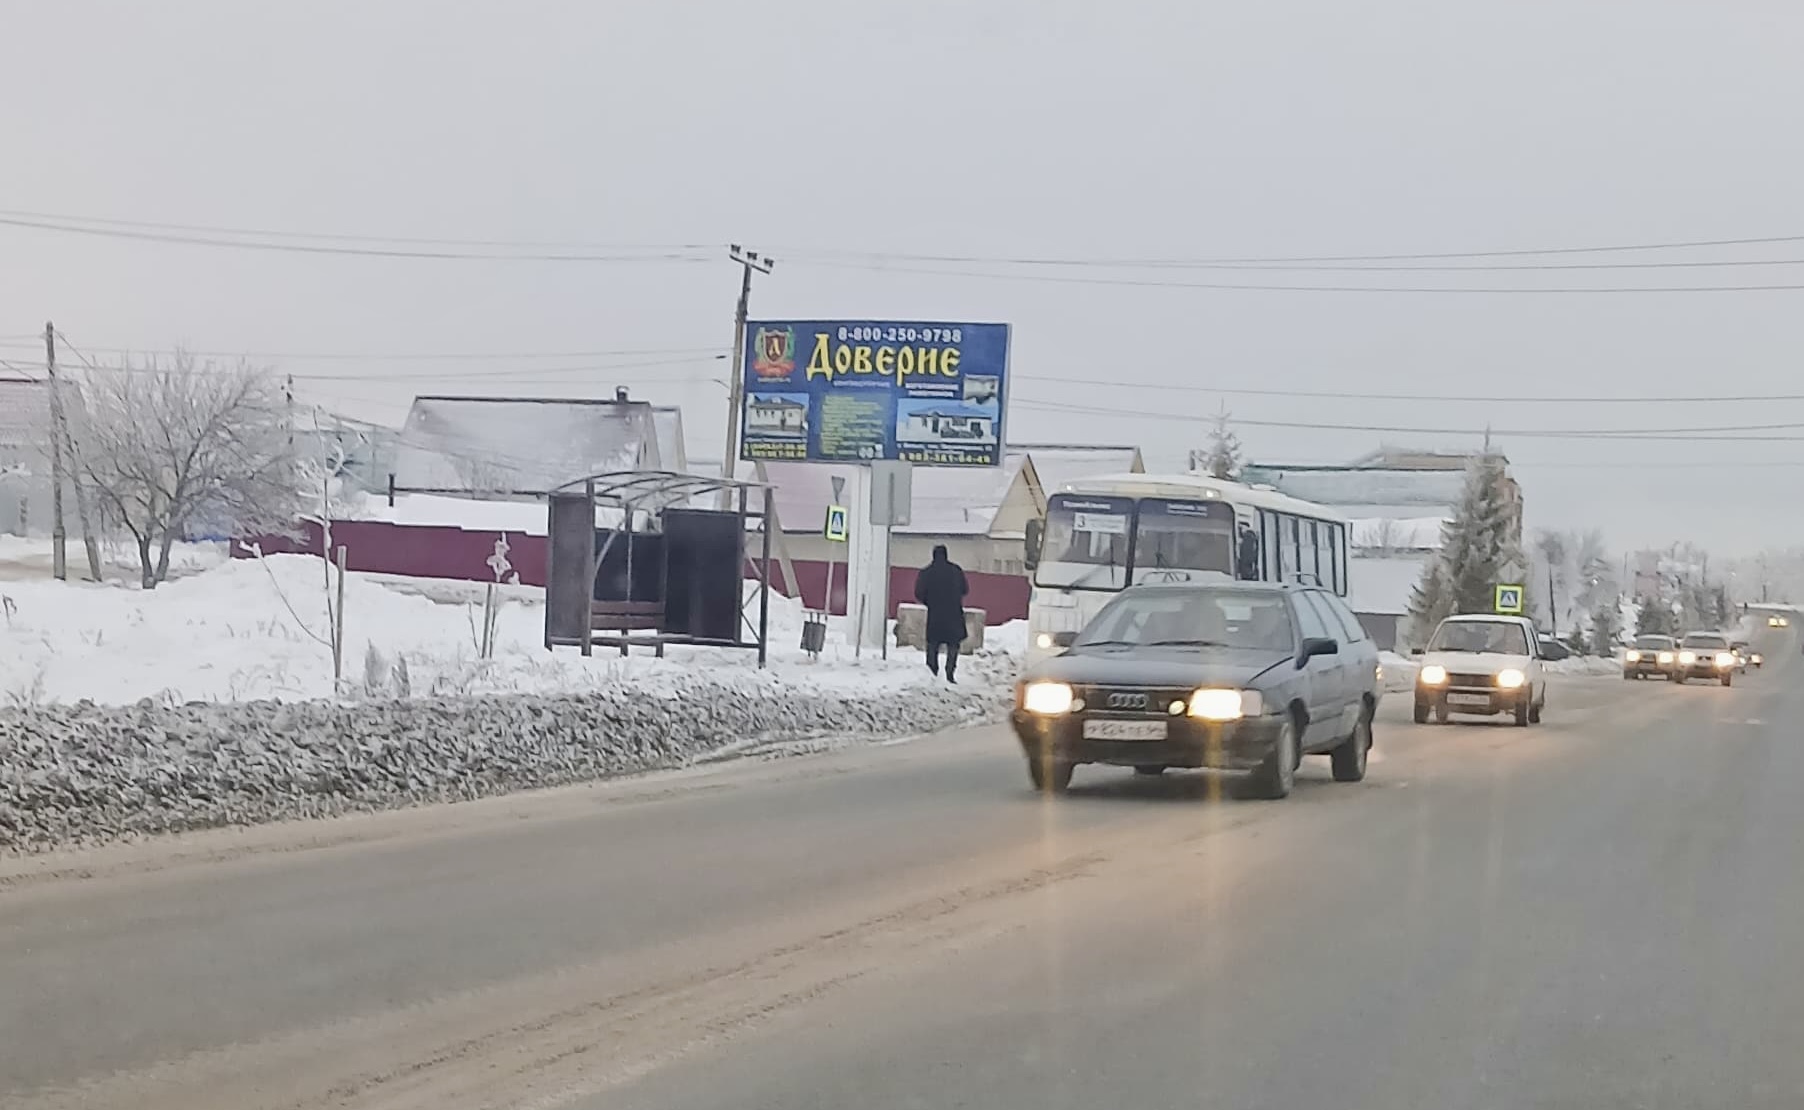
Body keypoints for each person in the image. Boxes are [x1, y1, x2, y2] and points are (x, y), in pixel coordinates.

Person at [914, 544, 970, 682]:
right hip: (954, 614)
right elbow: (965, 589)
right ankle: (950, 672)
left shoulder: (926, 572)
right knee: (953, 644)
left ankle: (933, 671)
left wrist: (930, 602)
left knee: (933, 644)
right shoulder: (956, 571)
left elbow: (919, 593)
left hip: (935, 615)